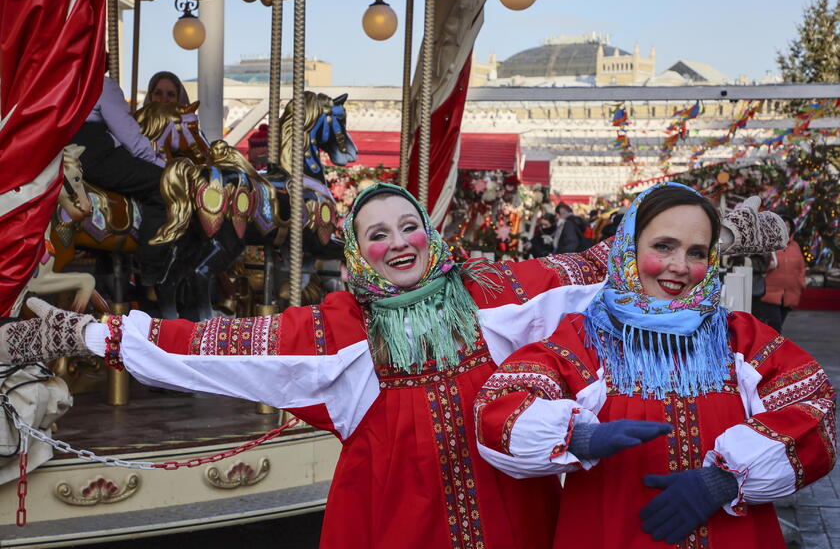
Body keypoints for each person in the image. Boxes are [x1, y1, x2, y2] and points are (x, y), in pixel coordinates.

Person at [0, 184, 788, 549]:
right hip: (398, 523)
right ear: (357, 252)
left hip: (518, 514)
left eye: (409, 223)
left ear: (430, 233)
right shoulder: (334, 328)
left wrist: (737, 228)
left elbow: (603, 260)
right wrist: (81, 334)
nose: (399, 241)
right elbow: (215, 345)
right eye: (377, 233)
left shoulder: (499, 287)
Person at [475, 183, 835, 549]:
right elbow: (499, 406)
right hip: (612, 533)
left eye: (696, 252)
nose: (679, 267)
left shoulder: (739, 338)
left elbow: (813, 407)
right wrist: (577, 437)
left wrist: (725, 481)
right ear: (628, 249)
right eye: (663, 246)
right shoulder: (584, 341)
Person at [71, 74, 168, 289]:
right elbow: (129, 134)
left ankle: (107, 267)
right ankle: (150, 272)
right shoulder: (99, 83)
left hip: (59, 153)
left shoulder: (54, 77)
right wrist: (160, 167)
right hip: (91, 153)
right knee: (163, 187)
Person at [753, 215, 806, 332]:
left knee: (777, 327)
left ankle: (769, 348)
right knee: (775, 327)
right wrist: (768, 265)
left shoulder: (795, 246)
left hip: (789, 294)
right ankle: (773, 349)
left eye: (788, 226)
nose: (785, 228)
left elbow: (801, 267)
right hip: (770, 293)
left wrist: (801, 283)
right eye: (783, 225)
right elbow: (760, 263)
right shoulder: (768, 244)